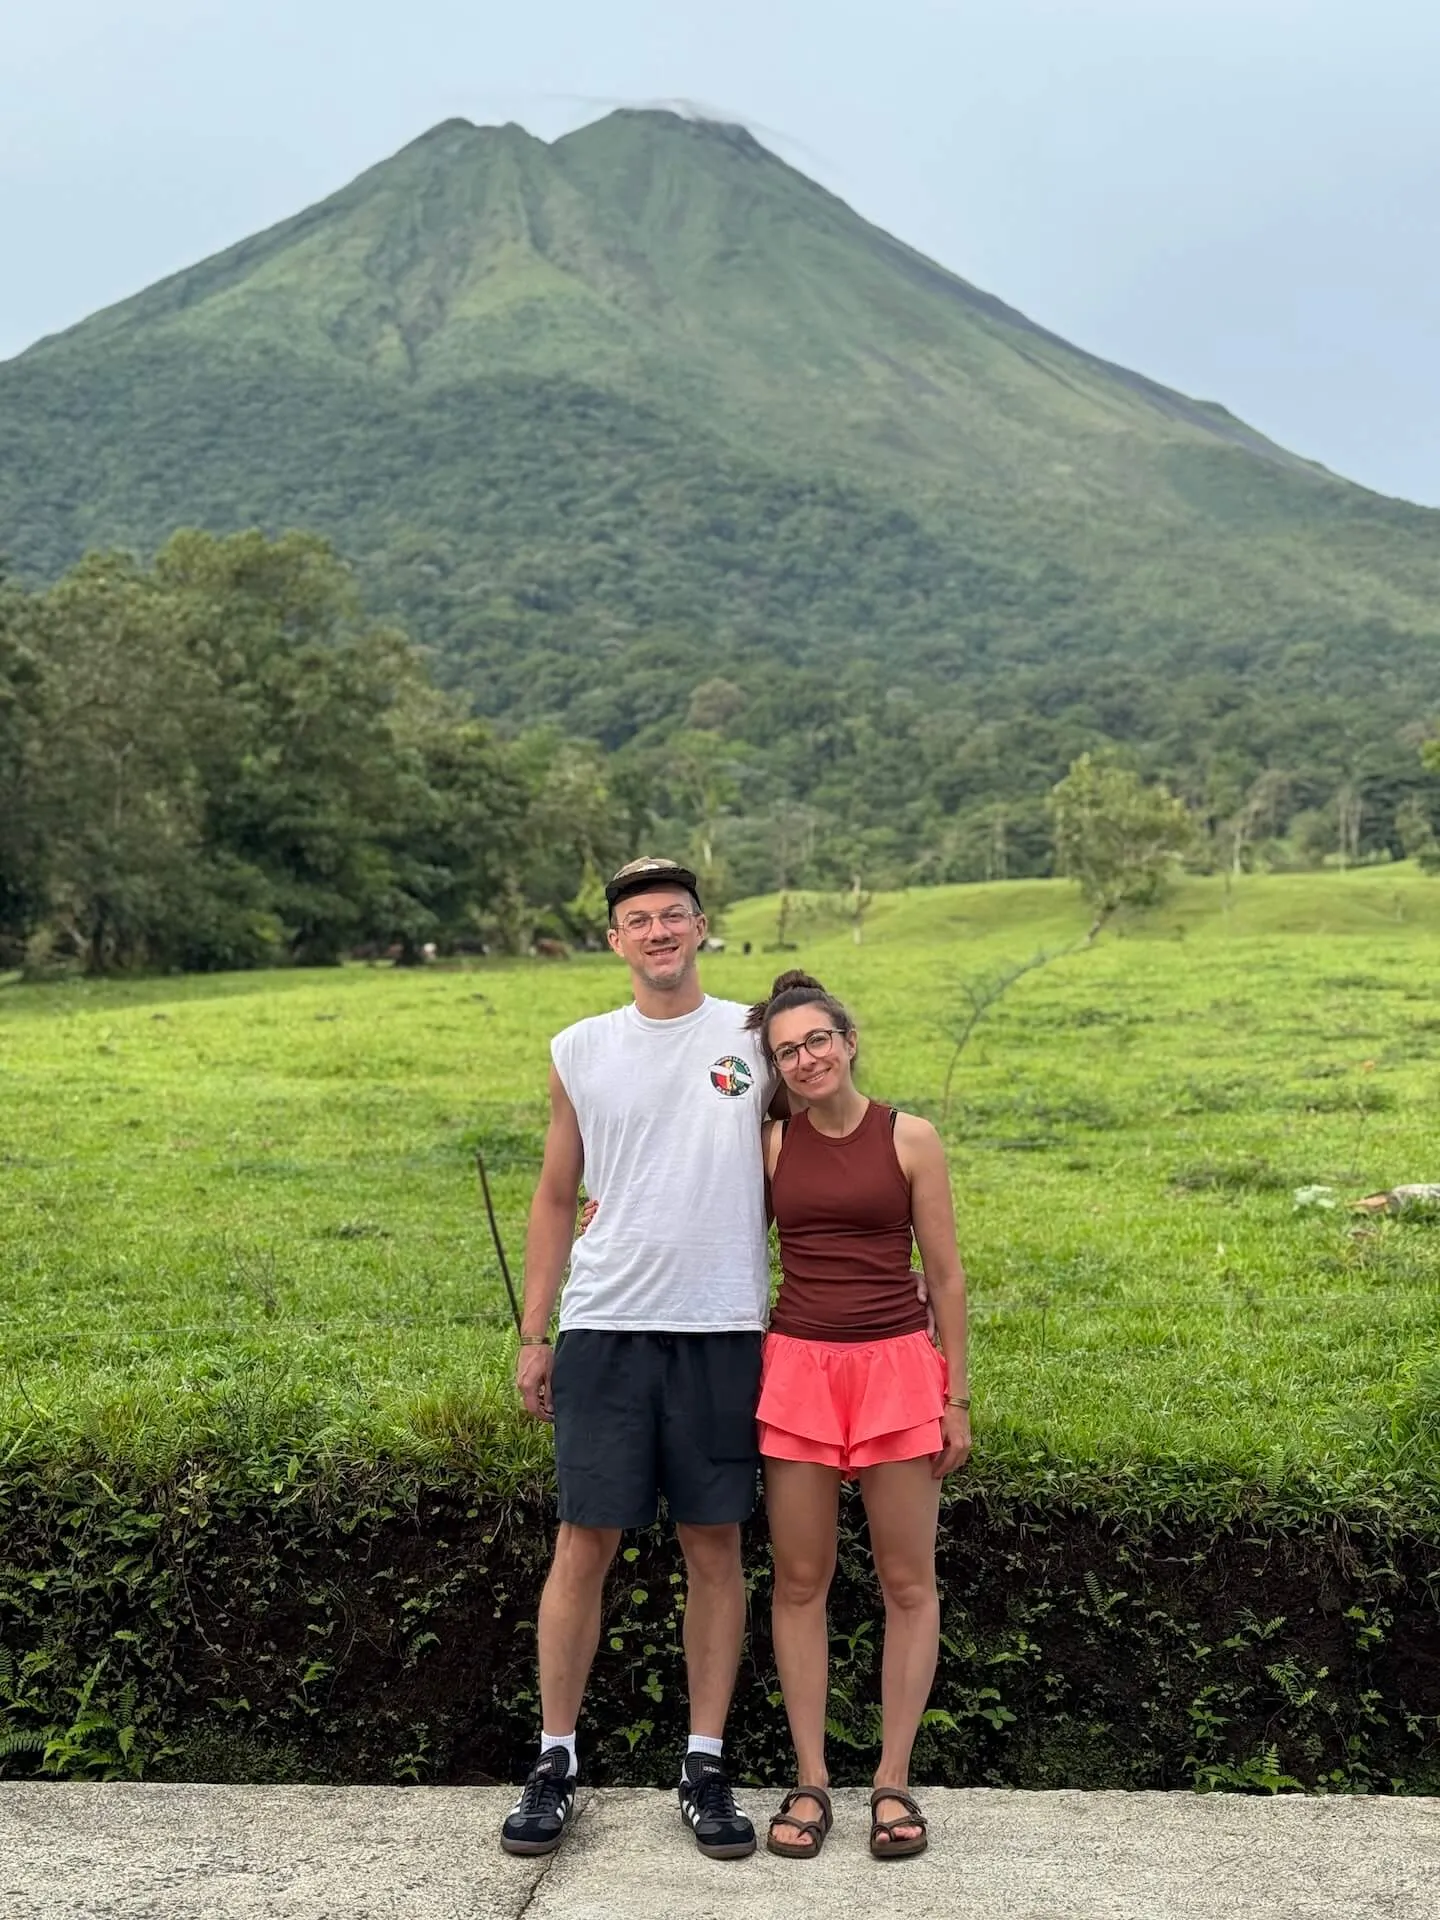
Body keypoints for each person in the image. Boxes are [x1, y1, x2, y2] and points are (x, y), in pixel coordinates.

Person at [501, 857, 776, 1862]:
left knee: (715, 1546)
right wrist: (536, 1331)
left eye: (674, 916)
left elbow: (812, 1160)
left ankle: (704, 1763)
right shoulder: (579, 1048)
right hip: (606, 1324)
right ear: (614, 940)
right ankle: (554, 1760)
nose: (658, 932)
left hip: (723, 1327)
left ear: (702, 927)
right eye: (639, 920)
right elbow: (553, 1192)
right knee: (585, 1542)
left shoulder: (756, 1037)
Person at [748, 970, 971, 1863]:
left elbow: (945, 1275)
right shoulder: (769, 1144)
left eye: (817, 1040)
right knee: (801, 1581)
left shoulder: (909, 1137)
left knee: (907, 1582)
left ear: (847, 1042)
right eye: (786, 1051)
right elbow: (699, 1216)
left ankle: (892, 1780)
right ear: (776, 1067)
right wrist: (608, 1212)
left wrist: (956, 1397)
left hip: (897, 1372)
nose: (806, 1059)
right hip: (799, 1371)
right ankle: (810, 1780)